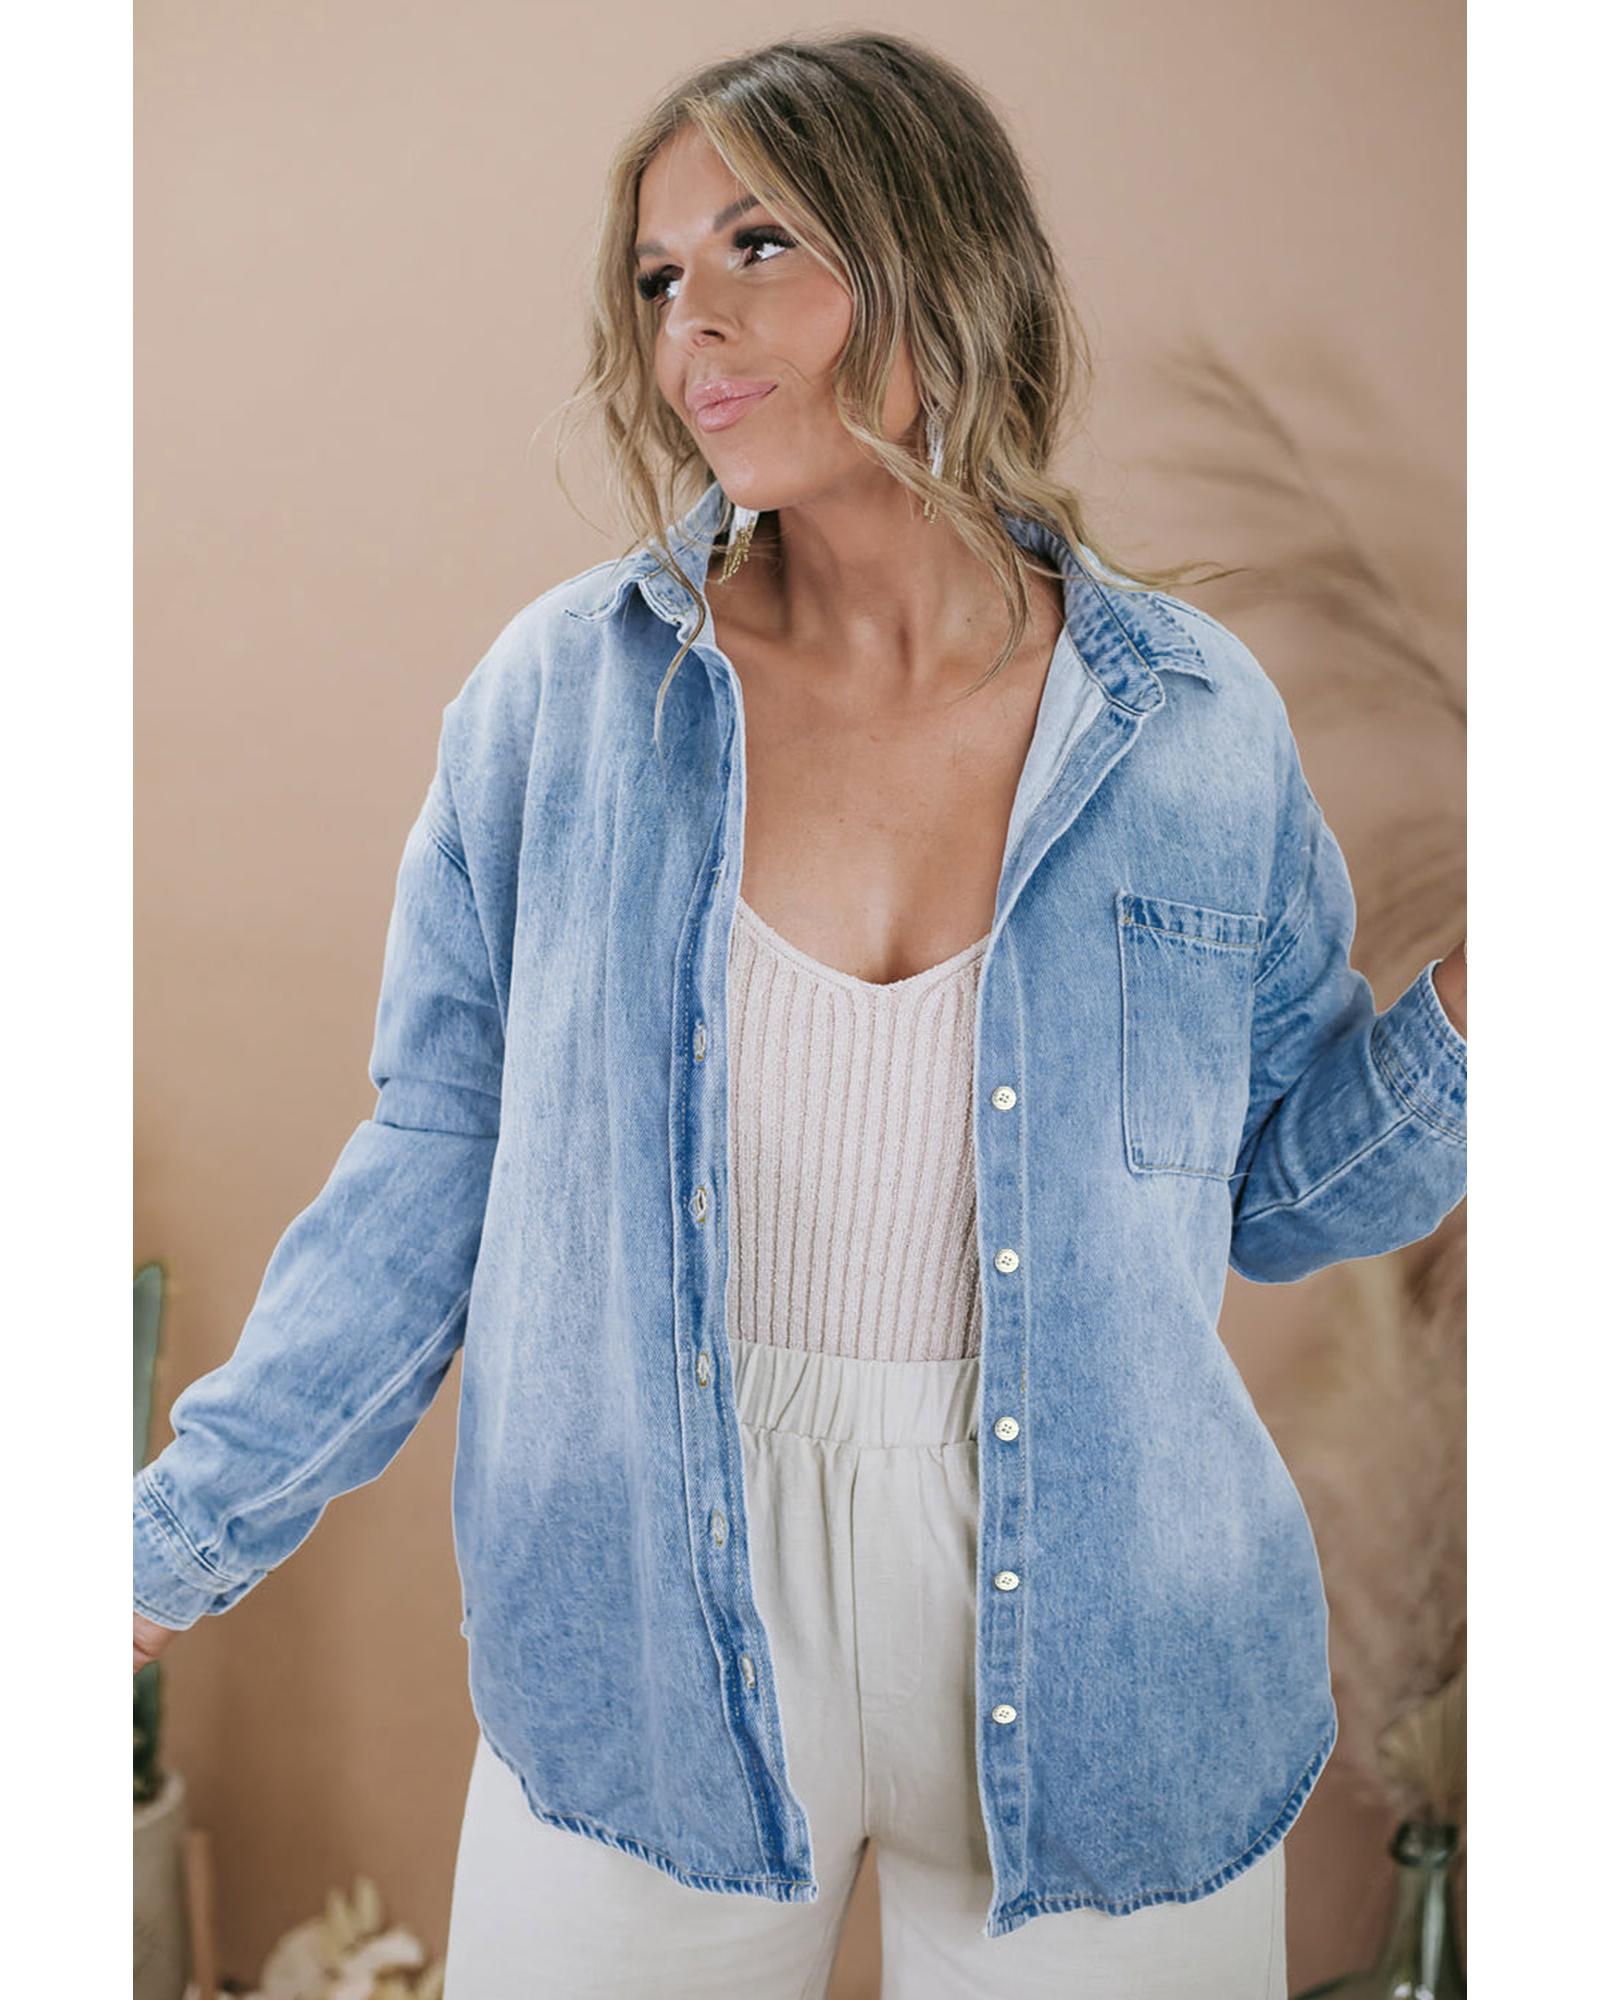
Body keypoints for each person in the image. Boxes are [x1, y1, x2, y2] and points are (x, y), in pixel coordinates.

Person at [133, 30, 1467, 1997]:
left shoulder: (1188, 724)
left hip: (1114, 1650)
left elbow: (1276, 1196)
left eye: (759, 243)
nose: (694, 322)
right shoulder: (565, 704)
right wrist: (163, 1548)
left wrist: (1482, 1010)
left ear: (934, 259)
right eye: (658, 275)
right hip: (650, 1632)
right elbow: (432, 1168)